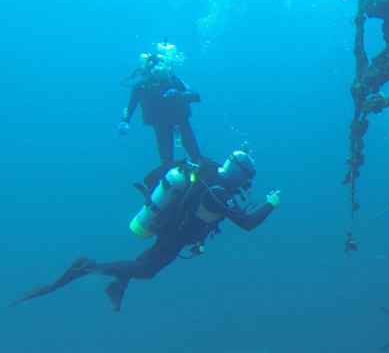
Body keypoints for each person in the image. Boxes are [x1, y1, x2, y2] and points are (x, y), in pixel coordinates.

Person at [8, 150, 281, 312]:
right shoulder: (221, 195)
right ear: (240, 175)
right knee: (147, 271)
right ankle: (87, 268)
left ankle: (117, 285)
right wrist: (271, 203)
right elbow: (247, 223)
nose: (246, 184)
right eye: (246, 178)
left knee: (144, 262)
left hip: (171, 228)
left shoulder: (210, 175)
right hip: (175, 236)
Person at [118, 40, 202, 164]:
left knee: (196, 157)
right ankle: (171, 179)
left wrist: (180, 94)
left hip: (179, 120)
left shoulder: (173, 80)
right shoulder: (142, 85)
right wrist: (125, 120)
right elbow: (131, 104)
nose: (160, 71)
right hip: (160, 124)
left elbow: (196, 97)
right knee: (167, 162)